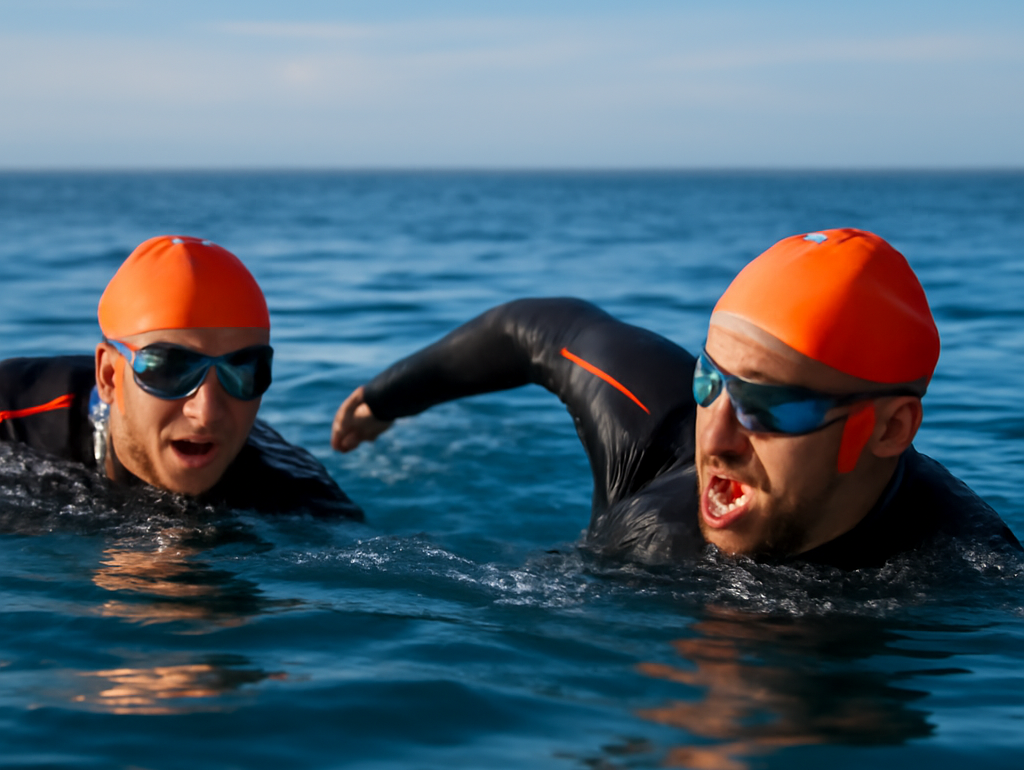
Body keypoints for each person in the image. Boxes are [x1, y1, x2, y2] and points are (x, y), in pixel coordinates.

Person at [331, 228, 1019, 568]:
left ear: (891, 427)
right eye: (709, 383)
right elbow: (540, 330)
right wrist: (385, 398)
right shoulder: (655, 458)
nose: (714, 437)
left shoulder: (968, 573)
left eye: (769, 407)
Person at [0, 235, 361, 518]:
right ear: (109, 376)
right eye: (171, 369)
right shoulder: (13, 418)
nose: (207, 412)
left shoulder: (301, 497)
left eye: (242, 371)